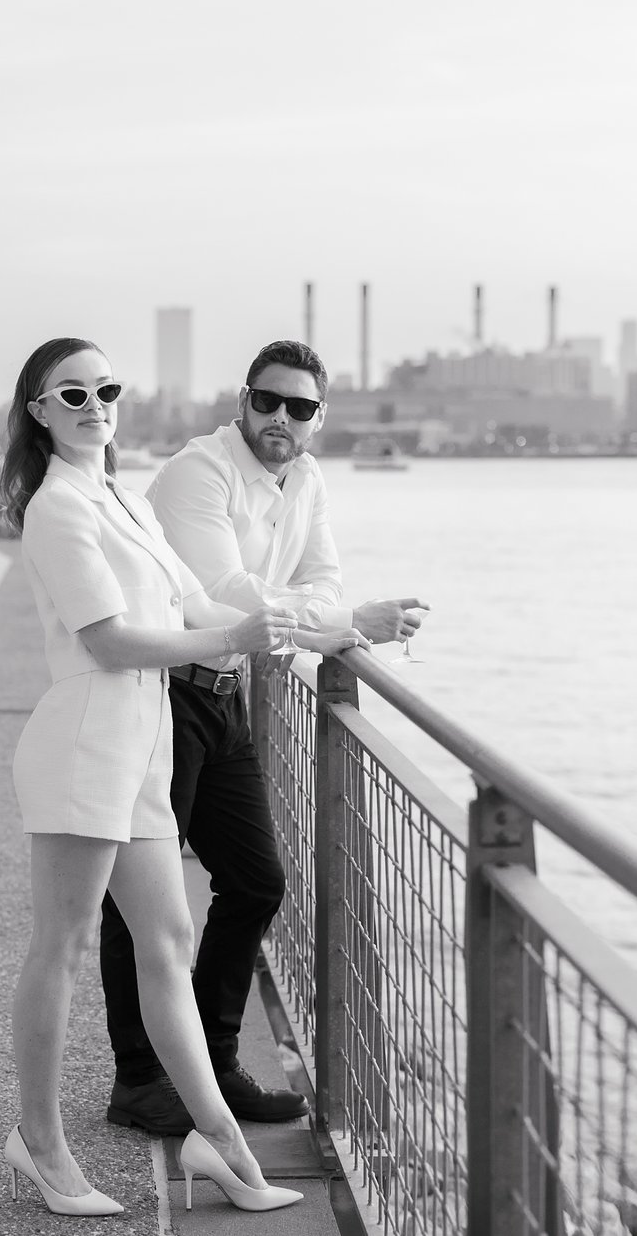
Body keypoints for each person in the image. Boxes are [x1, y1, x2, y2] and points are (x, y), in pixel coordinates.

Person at [0, 337, 365, 1218]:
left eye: (105, 388)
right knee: (63, 946)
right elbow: (111, 640)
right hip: (89, 735)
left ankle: (222, 1140)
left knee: (167, 944)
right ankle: (40, 1142)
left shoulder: (121, 494)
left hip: (144, 739)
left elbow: (197, 602)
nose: (94, 404)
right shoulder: (57, 507)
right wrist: (230, 642)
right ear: (40, 410)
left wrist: (307, 625)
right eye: (71, 392)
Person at [100, 339, 429, 1135]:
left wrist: (320, 613)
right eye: (268, 401)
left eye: (301, 407)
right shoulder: (197, 473)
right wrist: (349, 626)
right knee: (142, 899)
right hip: (164, 691)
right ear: (243, 400)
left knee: (256, 880)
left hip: (228, 694)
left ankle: (213, 1065)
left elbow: (319, 584)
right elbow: (229, 597)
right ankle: (141, 1080)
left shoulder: (306, 478)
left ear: (320, 419)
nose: (281, 418)